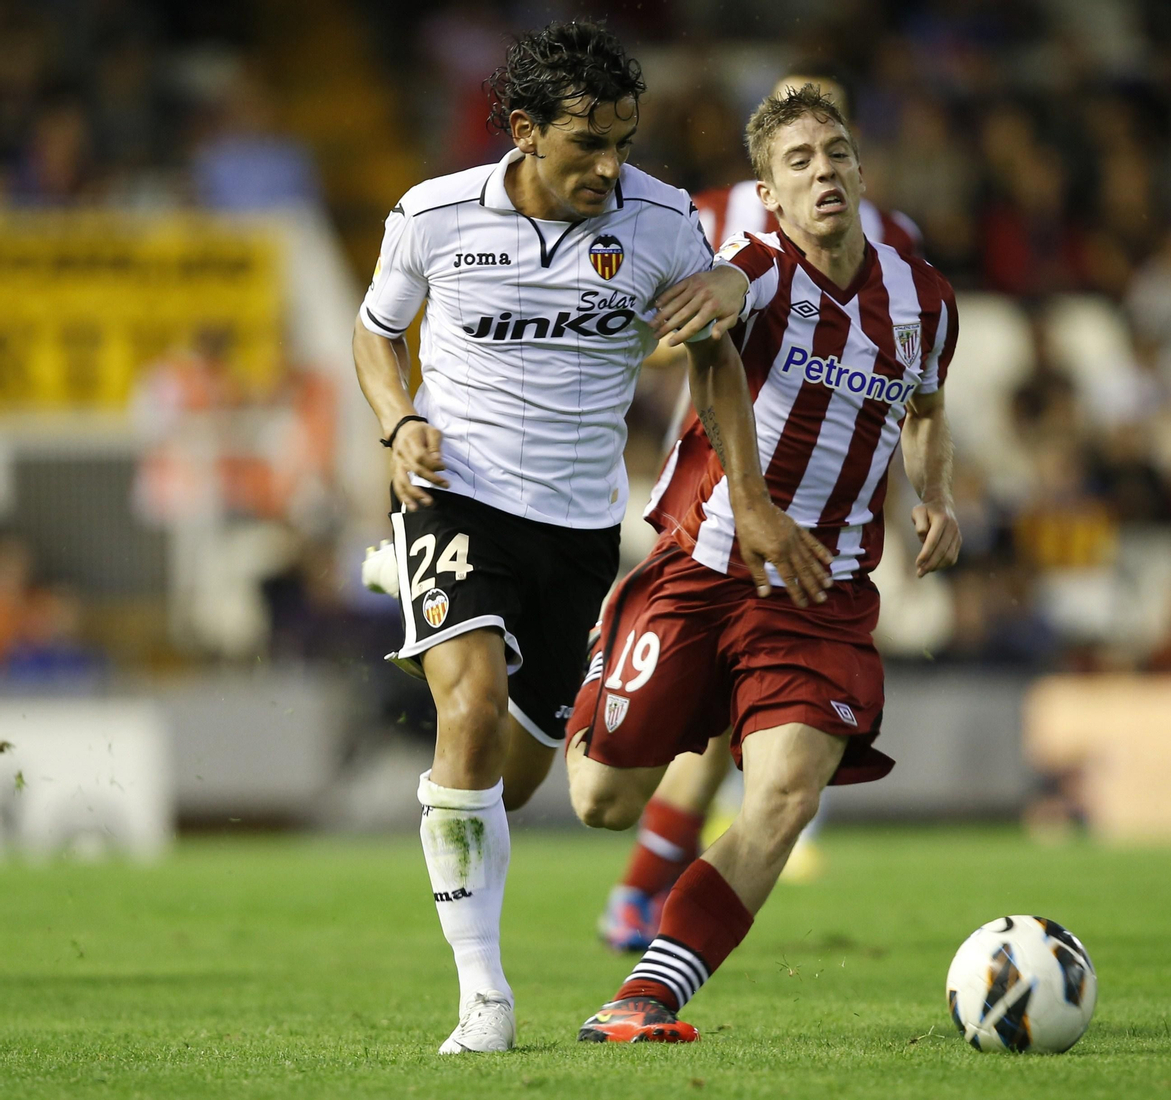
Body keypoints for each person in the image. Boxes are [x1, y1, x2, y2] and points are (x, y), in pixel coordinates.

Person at [351, 22, 830, 1055]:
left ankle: (454, 769)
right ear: (523, 132)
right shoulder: (432, 216)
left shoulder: (661, 223)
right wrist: (398, 425)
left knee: (511, 780)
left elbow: (712, 359)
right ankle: (483, 995)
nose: (609, 167)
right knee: (469, 712)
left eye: (622, 141)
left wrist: (747, 496)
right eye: (586, 145)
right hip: (457, 493)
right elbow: (377, 329)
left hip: (576, 530)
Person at [563, 84, 962, 1042]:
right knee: (602, 802)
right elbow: (717, 323)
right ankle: (580, 647)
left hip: (819, 595)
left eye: (836, 153)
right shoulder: (755, 267)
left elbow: (926, 407)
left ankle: (646, 996)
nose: (823, 170)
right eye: (799, 161)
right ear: (769, 195)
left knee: (785, 793)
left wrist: (936, 496)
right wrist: (753, 506)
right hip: (702, 568)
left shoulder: (924, 300)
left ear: (861, 172)